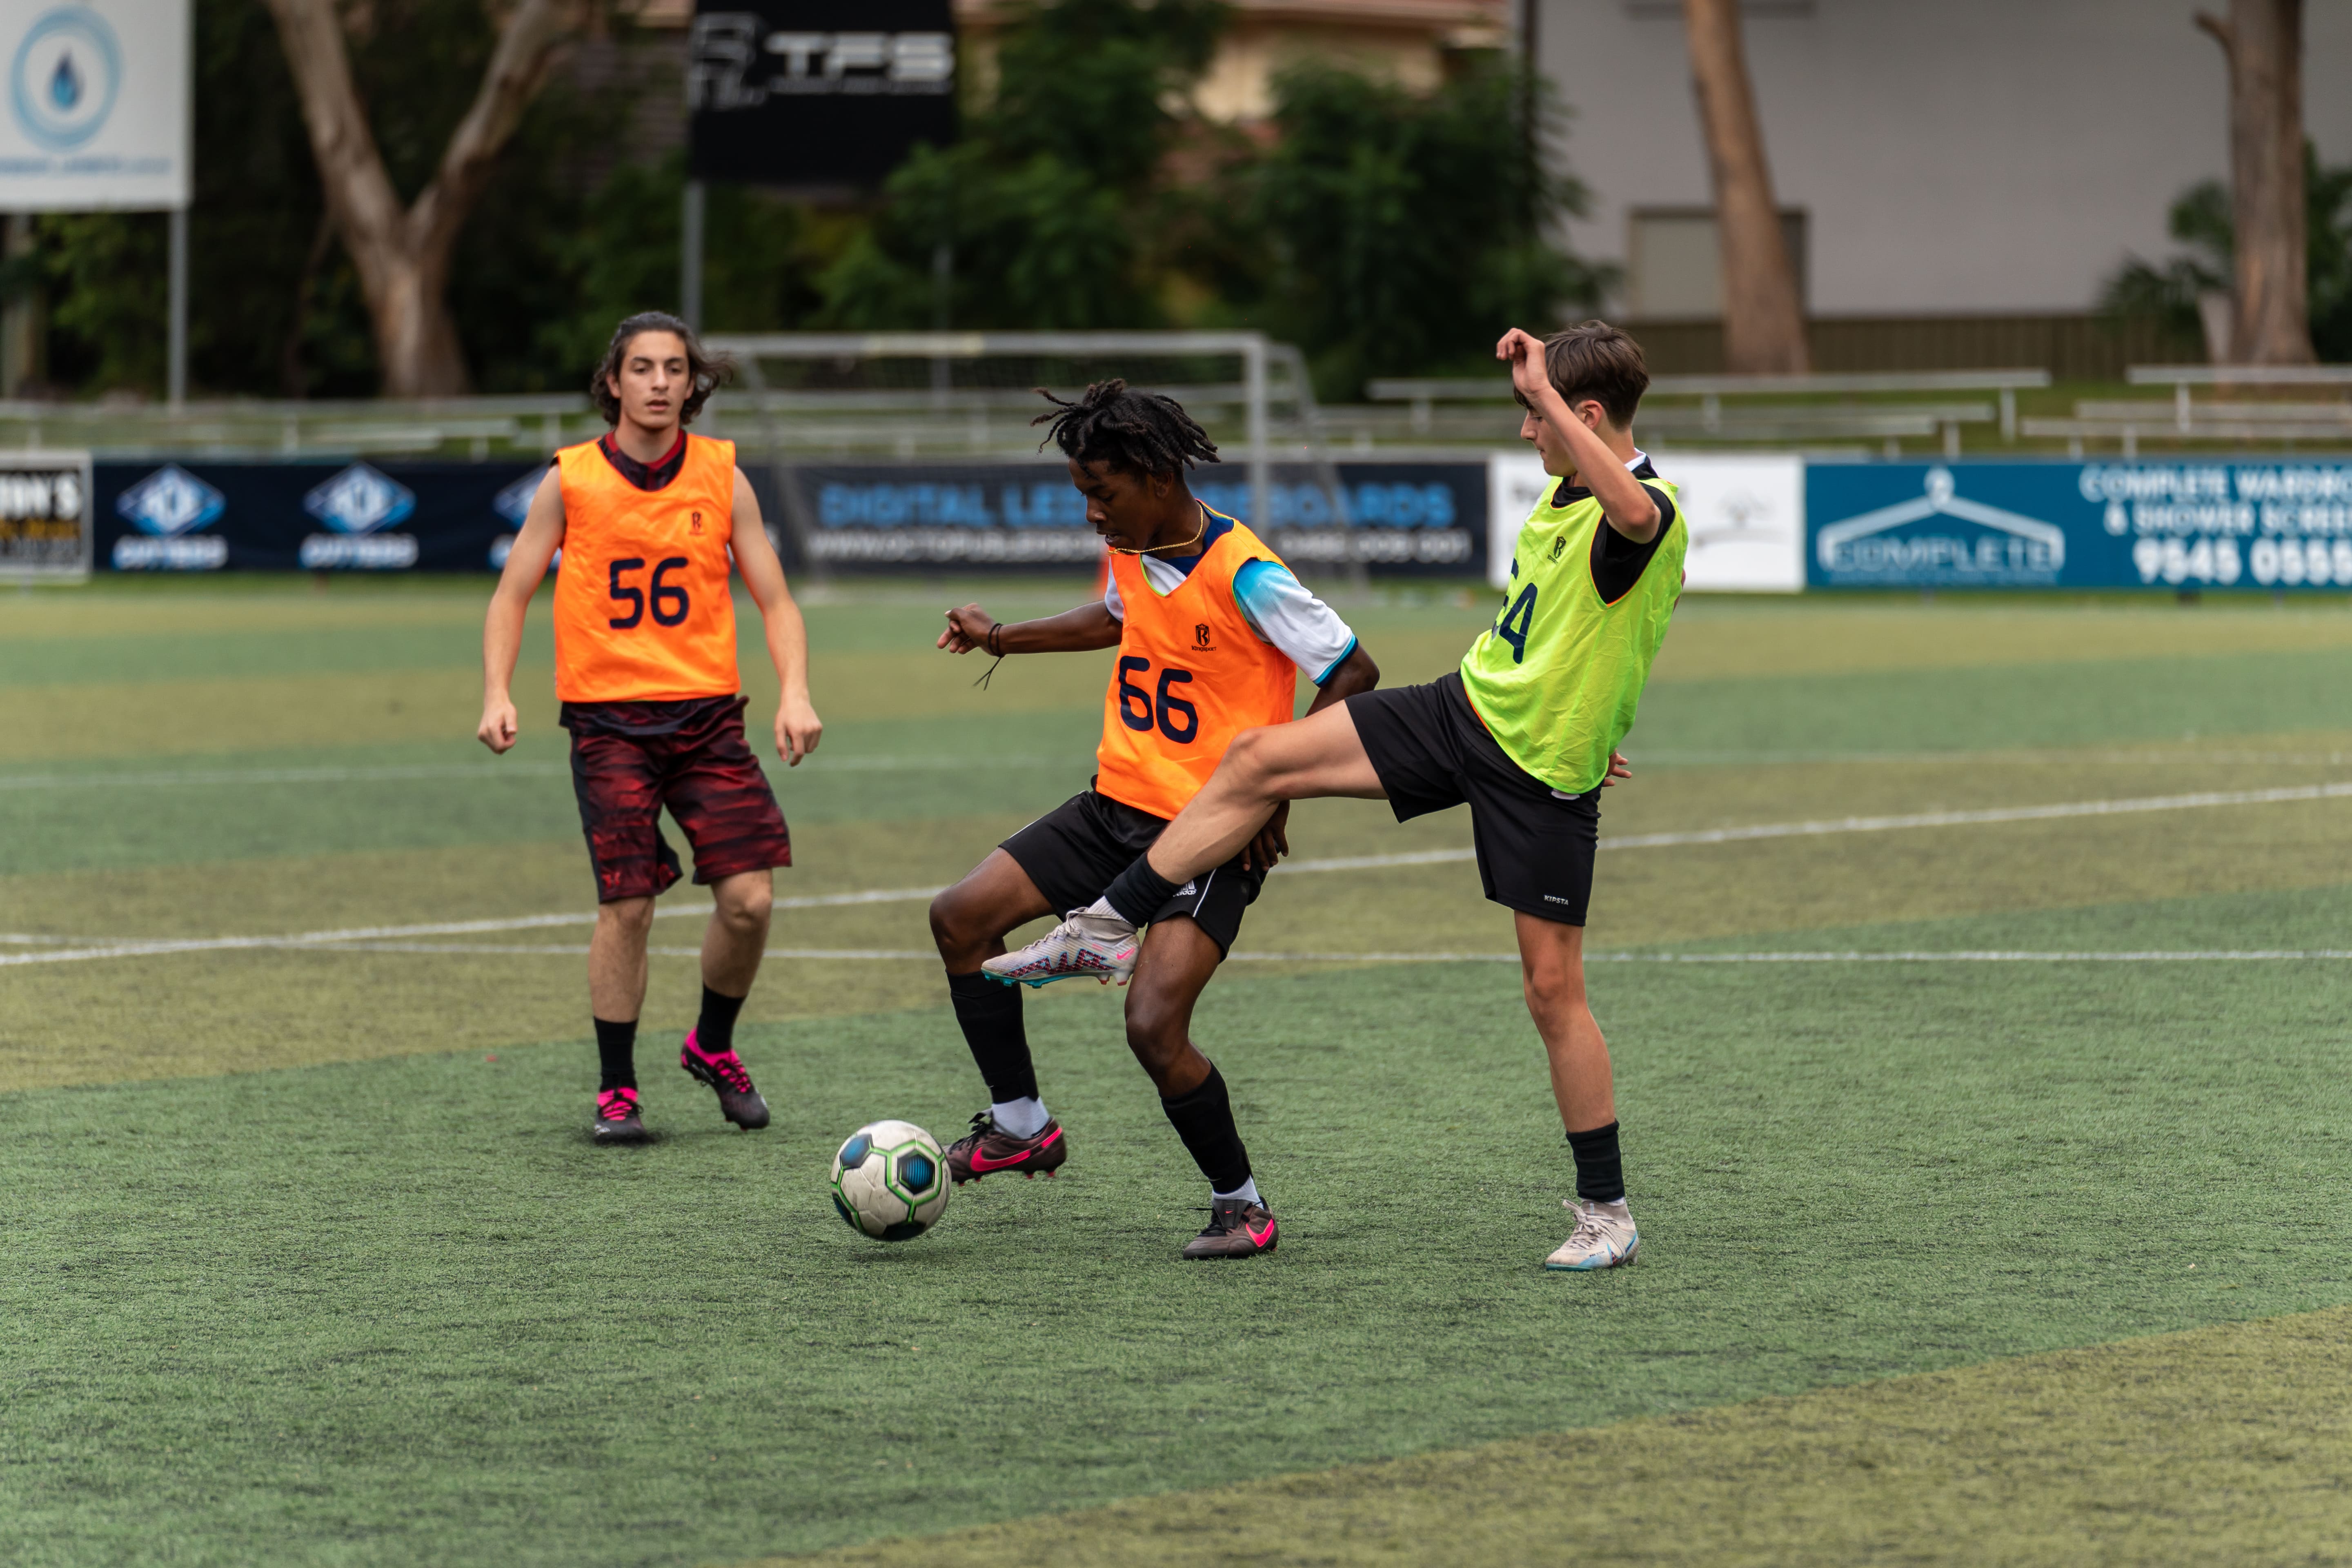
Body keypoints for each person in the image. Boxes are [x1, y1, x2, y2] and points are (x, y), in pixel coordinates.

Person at [988, 322, 1674, 1272]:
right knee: (1257, 760)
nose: (1528, 432)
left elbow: (1636, 523)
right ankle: (1105, 925)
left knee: (1552, 992)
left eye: (1537, 416)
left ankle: (1607, 1211)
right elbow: (1583, 637)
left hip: (1537, 773)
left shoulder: (1645, 509)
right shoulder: (1564, 496)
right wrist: (1591, 712)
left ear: (1584, 415)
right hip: (1464, 712)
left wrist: (1586, 736)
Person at [929, 380, 1379, 1260]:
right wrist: (1000, 637)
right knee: (960, 918)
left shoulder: (1247, 572)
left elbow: (1352, 671)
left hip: (1205, 835)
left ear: (1160, 477)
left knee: (1152, 1025)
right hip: (1111, 806)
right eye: (1083, 494)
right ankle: (1020, 1125)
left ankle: (1241, 1205)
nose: (1092, 513)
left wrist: (1274, 789)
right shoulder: (1130, 548)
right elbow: (1112, 617)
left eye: (1103, 493)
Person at [476, 311, 823, 1144]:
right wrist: (496, 692)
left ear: (691, 383)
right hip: (609, 724)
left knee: (749, 901)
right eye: (642, 367)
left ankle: (712, 1044)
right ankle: (616, 1089)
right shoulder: (571, 479)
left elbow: (776, 599)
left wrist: (796, 692)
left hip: (708, 719)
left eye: (674, 368)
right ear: (614, 382)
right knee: (628, 905)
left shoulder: (723, 475)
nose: (660, 382)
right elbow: (511, 593)